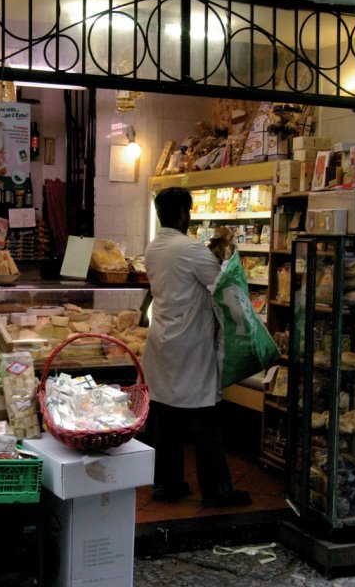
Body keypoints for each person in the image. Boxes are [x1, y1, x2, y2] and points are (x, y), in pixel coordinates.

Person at [142, 187, 251, 508]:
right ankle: (217, 491)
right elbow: (223, 287)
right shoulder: (191, 250)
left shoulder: (153, 248)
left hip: (162, 342)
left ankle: (166, 483)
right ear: (182, 214)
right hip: (192, 345)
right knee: (206, 417)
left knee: (166, 417)